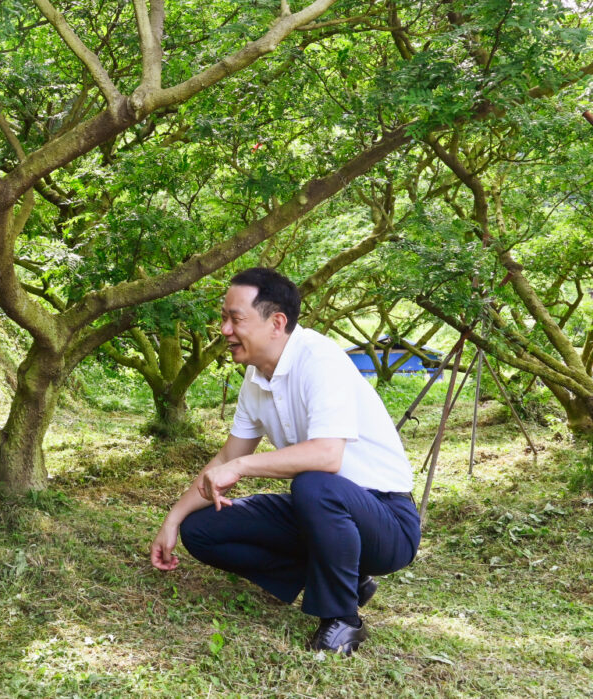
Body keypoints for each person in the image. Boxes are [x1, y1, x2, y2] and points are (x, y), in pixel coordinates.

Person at [149, 267, 420, 655]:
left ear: (277, 322)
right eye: (224, 318)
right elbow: (229, 455)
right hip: (322, 513)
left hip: (386, 520)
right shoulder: (256, 378)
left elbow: (327, 456)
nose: (224, 330)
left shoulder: (320, 359)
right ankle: (344, 579)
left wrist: (242, 468)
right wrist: (173, 519)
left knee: (313, 482)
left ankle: (343, 619)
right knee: (203, 530)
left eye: (235, 319)